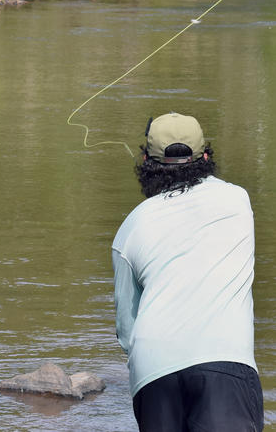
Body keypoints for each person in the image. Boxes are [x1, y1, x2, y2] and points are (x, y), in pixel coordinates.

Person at [112, 112, 264, 432]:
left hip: (153, 371)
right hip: (224, 360)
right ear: (205, 156)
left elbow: (127, 332)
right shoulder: (237, 200)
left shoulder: (129, 229)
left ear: (145, 161)